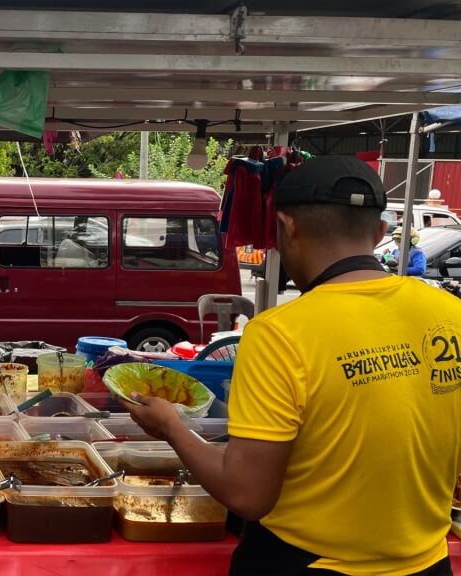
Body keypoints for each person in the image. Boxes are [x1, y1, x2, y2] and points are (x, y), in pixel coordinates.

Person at [124, 156, 461, 576]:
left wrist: (171, 426)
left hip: (308, 564)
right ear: (378, 232)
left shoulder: (279, 334)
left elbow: (247, 495)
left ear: (286, 227)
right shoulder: (451, 312)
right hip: (428, 564)